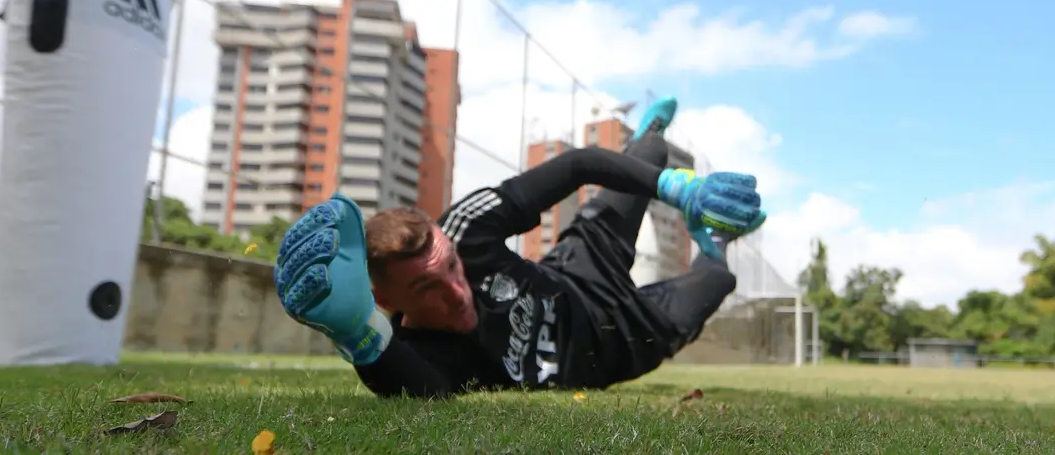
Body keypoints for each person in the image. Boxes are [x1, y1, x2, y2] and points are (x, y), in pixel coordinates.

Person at [273, 96, 766, 398]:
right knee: (719, 277)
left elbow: (577, 166)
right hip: (621, 341)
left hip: (581, 267)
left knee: (650, 158)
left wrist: (677, 188)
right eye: (426, 287)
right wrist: (358, 336)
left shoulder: (465, 228)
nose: (456, 291)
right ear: (386, 302)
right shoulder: (417, 352)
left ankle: (652, 139)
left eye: (450, 267)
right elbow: (421, 390)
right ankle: (714, 237)